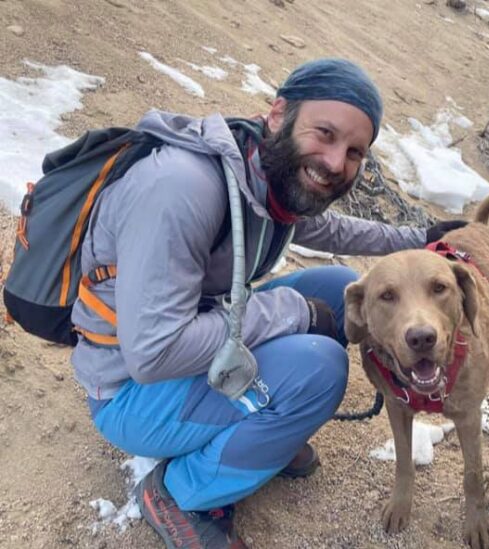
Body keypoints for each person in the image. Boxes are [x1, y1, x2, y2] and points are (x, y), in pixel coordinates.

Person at [71, 57, 465, 548]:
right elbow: (153, 353)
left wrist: (420, 237)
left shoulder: (261, 172)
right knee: (319, 366)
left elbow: (327, 228)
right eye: (325, 133)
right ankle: (181, 492)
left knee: (339, 289)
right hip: (130, 392)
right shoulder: (182, 189)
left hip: (190, 342)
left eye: (355, 152)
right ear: (279, 114)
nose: (336, 162)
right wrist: (293, 313)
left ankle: (258, 430)